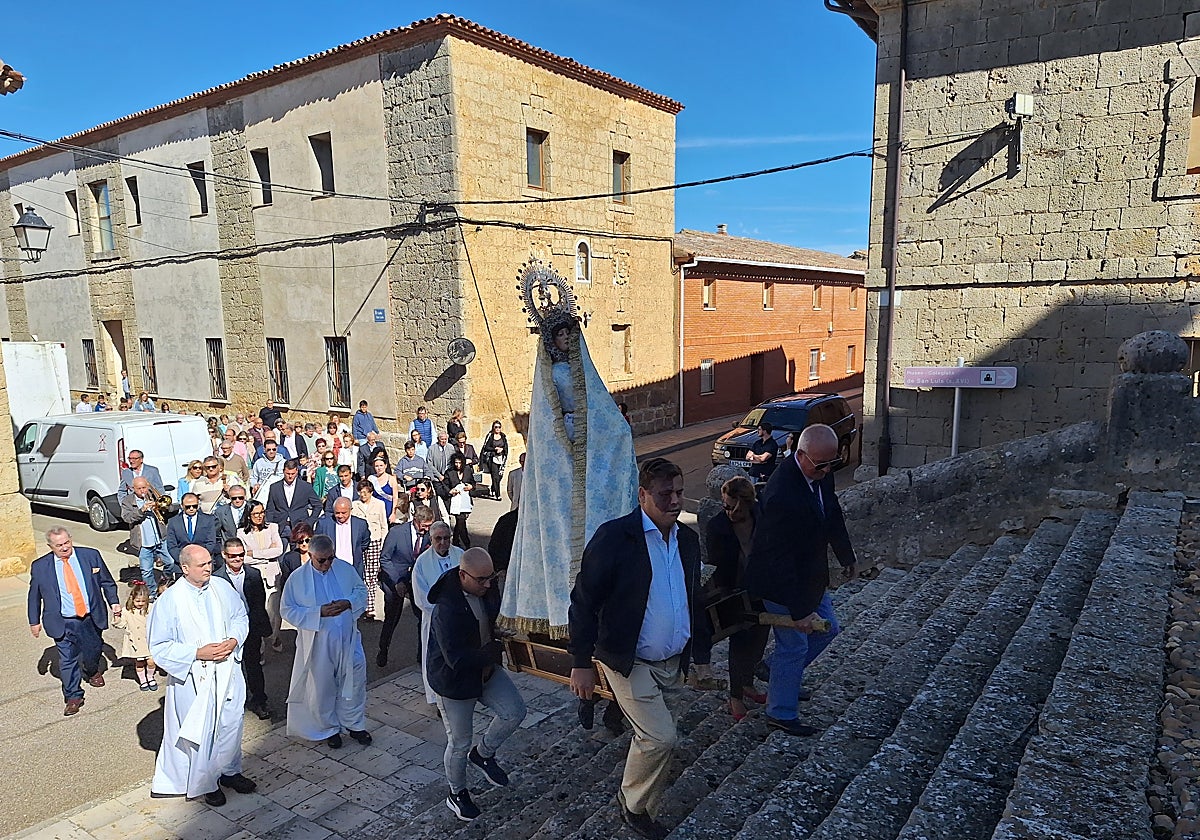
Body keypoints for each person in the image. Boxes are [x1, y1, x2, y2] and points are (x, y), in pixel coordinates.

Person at [569, 458, 699, 839]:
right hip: (629, 660)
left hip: (673, 660)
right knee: (660, 737)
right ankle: (633, 805)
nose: (674, 501)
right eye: (665, 495)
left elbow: (692, 598)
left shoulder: (687, 538)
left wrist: (700, 655)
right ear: (643, 495)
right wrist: (581, 663)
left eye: (678, 492)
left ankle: (645, 801)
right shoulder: (614, 538)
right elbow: (583, 601)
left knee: (661, 736)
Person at [499, 295, 639, 636]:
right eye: (560, 335)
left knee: (598, 494)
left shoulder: (584, 369)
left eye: (569, 333)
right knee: (563, 515)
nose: (566, 339)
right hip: (564, 440)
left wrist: (616, 429)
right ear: (552, 339)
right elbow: (550, 413)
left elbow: (601, 405)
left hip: (588, 434)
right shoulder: (553, 371)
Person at [743, 423, 856, 736]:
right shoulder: (782, 493)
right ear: (802, 455)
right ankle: (781, 711)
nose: (826, 470)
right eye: (821, 465)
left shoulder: (821, 471)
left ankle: (780, 676)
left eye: (830, 464)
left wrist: (846, 556)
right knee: (793, 646)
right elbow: (778, 558)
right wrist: (799, 611)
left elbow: (831, 513)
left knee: (829, 629)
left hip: (810, 575)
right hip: (780, 583)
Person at [148, 544, 256, 806]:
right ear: (185, 568)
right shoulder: (170, 600)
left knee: (231, 723)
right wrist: (197, 653)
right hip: (195, 676)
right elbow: (159, 646)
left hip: (227, 669)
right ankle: (206, 782)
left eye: (209, 562)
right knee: (203, 730)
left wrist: (233, 640)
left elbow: (240, 616)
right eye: (202, 565)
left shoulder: (221, 587)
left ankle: (230, 771)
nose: (209, 568)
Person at [428, 548, 526, 822]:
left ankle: (483, 755)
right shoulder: (446, 608)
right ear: (463, 576)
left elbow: (489, 618)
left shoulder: (486, 587)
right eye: (481, 580)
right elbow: (455, 658)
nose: (488, 585)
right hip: (455, 681)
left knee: (515, 711)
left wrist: (499, 633)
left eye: (490, 578)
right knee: (459, 742)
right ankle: (456, 793)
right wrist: (492, 652)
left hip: (485, 670)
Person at [280, 534, 371, 749]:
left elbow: (361, 590)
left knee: (354, 681)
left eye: (331, 558)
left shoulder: (344, 568)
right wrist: (318, 612)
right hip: (319, 642)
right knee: (323, 687)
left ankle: (355, 725)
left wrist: (348, 603)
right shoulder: (297, 579)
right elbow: (287, 609)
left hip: (348, 639)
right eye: (322, 560)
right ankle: (329, 728)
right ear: (310, 555)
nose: (328, 564)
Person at [27, 527, 121, 715]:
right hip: (62, 621)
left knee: (93, 649)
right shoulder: (40, 566)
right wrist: (34, 621)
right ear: (50, 546)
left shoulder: (90, 556)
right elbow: (34, 596)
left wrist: (114, 603)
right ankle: (73, 696)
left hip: (90, 617)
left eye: (66, 543)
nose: (64, 548)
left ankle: (92, 669)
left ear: (71, 539)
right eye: (59, 545)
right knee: (67, 660)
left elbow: (107, 582)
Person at [705, 476, 770, 721]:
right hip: (733, 590)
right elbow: (716, 564)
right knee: (740, 643)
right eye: (725, 505)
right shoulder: (717, 526)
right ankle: (735, 696)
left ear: (747, 502)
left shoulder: (761, 518)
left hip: (762, 586)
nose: (728, 511)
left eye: (733, 506)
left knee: (760, 638)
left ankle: (748, 684)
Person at [214, 538, 273, 720]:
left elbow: (259, 603)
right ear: (224, 556)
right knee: (231, 669)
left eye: (241, 555)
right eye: (233, 556)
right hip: (228, 631)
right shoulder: (217, 578)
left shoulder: (254, 574)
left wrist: (265, 630)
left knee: (253, 665)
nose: (237, 559)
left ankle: (259, 701)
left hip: (251, 627)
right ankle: (233, 703)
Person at [411, 521, 463, 704]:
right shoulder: (422, 563)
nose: (442, 543)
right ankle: (437, 697)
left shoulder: (461, 555)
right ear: (431, 539)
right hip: (435, 620)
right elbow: (422, 597)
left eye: (446, 538)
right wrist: (444, 613)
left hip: (460, 619)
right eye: (438, 539)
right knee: (436, 659)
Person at [377, 506, 433, 667]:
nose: (427, 529)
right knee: (391, 619)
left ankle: (421, 655)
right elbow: (385, 559)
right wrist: (397, 582)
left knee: (423, 616)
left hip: (416, 580)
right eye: (425, 526)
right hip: (395, 579)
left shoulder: (429, 534)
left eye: (430, 526)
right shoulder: (396, 533)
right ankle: (383, 649)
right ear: (416, 521)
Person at [353, 480, 389, 620]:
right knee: (360, 575)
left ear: (371, 492)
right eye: (360, 492)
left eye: (365, 492)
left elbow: (383, 525)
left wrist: (383, 545)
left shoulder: (379, 504)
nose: (362, 495)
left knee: (371, 576)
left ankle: (370, 607)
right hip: (360, 543)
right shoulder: (355, 505)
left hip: (375, 541)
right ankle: (360, 605)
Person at [314, 497, 371, 581]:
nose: (340, 516)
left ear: (350, 510)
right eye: (337, 513)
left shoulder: (360, 524)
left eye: (344, 513)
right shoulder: (324, 524)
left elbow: (365, 543)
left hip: (353, 570)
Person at [114, 581, 156, 691]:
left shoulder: (150, 608)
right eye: (138, 601)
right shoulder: (127, 611)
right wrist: (117, 616)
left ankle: (150, 676)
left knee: (151, 661)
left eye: (143, 601)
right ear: (132, 598)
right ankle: (143, 680)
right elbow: (121, 624)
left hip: (149, 639)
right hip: (136, 642)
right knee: (140, 662)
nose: (140, 603)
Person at [265, 459, 320, 541]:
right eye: (288, 474)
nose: (290, 476)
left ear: (297, 471)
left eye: (293, 474)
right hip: (281, 526)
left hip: (299, 527)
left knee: (298, 553)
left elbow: (318, 505)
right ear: (283, 471)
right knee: (279, 553)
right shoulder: (274, 487)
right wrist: (270, 527)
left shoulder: (305, 487)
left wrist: (309, 522)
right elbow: (270, 509)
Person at [166, 493, 220, 570]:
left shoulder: (208, 520)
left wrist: (200, 559)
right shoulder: (173, 522)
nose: (191, 509)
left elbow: (211, 542)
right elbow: (171, 545)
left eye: (195, 506)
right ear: (182, 506)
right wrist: (182, 561)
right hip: (182, 565)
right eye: (188, 507)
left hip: (203, 563)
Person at [444, 452, 474, 549]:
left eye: (460, 463)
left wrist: (471, 486)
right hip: (455, 501)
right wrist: (450, 491)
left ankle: (456, 540)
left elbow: (473, 482)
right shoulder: (449, 472)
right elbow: (445, 486)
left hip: (465, 500)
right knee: (461, 520)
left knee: (460, 521)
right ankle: (466, 542)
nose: (458, 465)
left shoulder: (467, 470)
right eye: (456, 463)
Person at [479, 421, 508, 501]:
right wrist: (495, 449)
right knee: (495, 477)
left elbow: (506, 447)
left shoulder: (503, 436)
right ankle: (498, 495)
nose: (497, 429)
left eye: (499, 427)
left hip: (501, 459)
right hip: (492, 459)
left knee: (500, 476)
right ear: (493, 428)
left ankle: (493, 488)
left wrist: (502, 450)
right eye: (496, 427)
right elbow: (486, 447)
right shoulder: (490, 436)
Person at [369, 456, 403, 522]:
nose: (379, 468)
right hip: (375, 508)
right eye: (377, 466)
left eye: (381, 465)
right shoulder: (371, 478)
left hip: (388, 507)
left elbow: (395, 497)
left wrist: (393, 513)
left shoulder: (391, 479)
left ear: (385, 466)